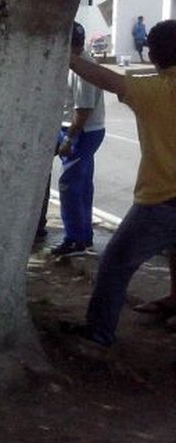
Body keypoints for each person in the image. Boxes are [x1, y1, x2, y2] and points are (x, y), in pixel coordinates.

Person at [62, 19, 176, 347]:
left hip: (161, 201)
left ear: (153, 55)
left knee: (114, 263)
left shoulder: (154, 92)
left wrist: (68, 58)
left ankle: (99, 334)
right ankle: (172, 300)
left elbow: (109, 80)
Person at [50, 22, 106, 257]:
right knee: (82, 185)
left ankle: (74, 239)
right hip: (82, 130)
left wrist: (69, 140)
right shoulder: (76, 62)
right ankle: (84, 237)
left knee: (69, 185)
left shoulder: (82, 67)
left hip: (82, 132)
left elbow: (82, 110)